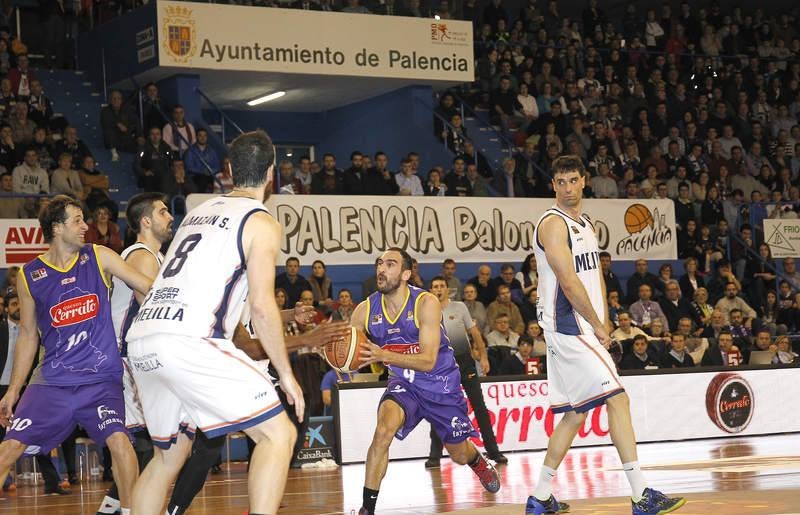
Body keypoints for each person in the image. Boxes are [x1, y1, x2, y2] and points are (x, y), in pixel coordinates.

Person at [125, 131, 305, 515]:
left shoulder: (196, 213)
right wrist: (286, 374)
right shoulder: (261, 221)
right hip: (189, 340)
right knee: (278, 433)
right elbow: (261, 306)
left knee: (167, 458)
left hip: (143, 337)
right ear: (271, 173)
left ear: (228, 170)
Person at [527, 155, 684, 515]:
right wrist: (597, 327)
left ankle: (540, 497)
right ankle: (641, 494)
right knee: (619, 399)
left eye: (572, 180)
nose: (567, 187)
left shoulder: (585, 224)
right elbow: (567, 282)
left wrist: (606, 320)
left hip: (583, 324)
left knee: (575, 414)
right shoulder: (552, 224)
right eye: (560, 181)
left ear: (584, 181)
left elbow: (594, 274)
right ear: (553, 185)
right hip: (568, 325)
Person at [0, 195, 153, 513]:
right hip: (51, 382)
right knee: (9, 447)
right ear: (57, 228)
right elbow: (28, 335)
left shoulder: (99, 257)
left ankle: (130, 511)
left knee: (121, 444)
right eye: (77, 220)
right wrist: (14, 389)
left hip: (100, 380)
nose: (86, 226)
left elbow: (147, 286)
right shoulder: (31, 276)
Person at [353, 248, 500, 515]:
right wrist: (335, 355)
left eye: (390, 264)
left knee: (458, 454)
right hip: (404, 383)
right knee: (383, 432)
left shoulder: (426, 303)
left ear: (406, 273)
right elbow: (346, 345)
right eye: (379, 264)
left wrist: (384, 354)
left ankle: (476, 460)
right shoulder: (365, 309)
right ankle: (367, 509)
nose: (381, 269)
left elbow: (428, 360)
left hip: (440, 383)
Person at [96, 192, 174, 515]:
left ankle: (111, 510)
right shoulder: (142, 255)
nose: (170, 216)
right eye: (163, 211)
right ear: (146, 221)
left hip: (131, 356)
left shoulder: (153, 256)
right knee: (143, 447)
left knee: (143, 448)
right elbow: (154, 313)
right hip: (125, 357)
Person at [425, 276, 506, 468]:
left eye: (441, 286)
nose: (438, 289)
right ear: (430, 290)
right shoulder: (426, 311)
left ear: (447, 289)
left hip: (465, 362)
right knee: (439, 409)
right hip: (439, 365)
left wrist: (484, 358)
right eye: (435, 286)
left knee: (479, 406)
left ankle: (494, 451)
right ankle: (434, 456)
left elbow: (476, 334)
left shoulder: (459, 307)